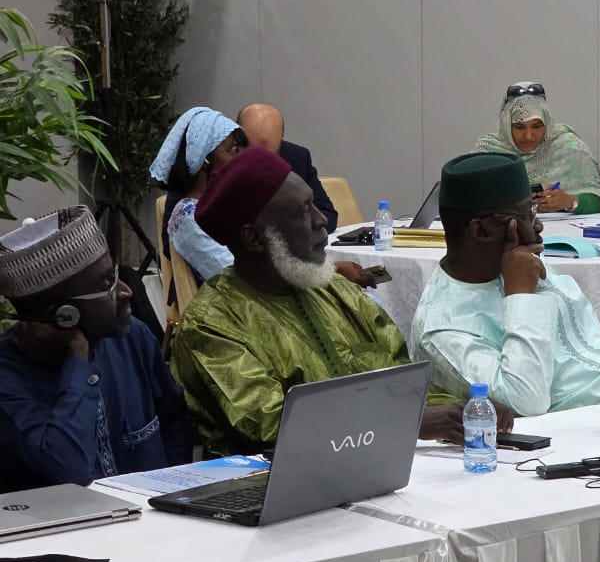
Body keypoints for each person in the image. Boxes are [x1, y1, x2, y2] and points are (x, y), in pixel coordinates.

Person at [169, 148, 509, 457]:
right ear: (254, 238)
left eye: (314, 204)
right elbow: (272, 426)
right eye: (302, 212)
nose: (321, 220)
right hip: (272, 489)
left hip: (381, 465)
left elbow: (403, 381)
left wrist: (469, 407)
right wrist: (410, 421)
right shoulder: (211, 325)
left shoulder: (335, 290)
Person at [410, 152, 600, 416]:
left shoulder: (513, 259)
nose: (538, 225)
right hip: (578, 427)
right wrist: (520, 295)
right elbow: (525, 402)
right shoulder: (442, 329)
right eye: (526, 214)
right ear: (481, 230)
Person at [0, 206, 190, 492]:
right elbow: (70, 468)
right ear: (65, 315)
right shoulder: (6, 379)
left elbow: (175, 425)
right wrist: (79, 362)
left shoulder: (134, 338)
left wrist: (175, 497)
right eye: (107, 284)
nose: (125, 291)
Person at [471, 82, 600, 214]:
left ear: (546, 123)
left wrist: (568, 201)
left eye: (537, 126)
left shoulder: (568, 146)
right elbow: (466, 199)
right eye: (519, 127)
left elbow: (598, 201)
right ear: (506, 125)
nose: (528, 136)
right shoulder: (487, 153)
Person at [150, 106, 245, 282]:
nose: (241, 158)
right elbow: (236, 279)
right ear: (204, 159)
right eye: (233, 150)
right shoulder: (188, 217)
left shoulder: (220, 205)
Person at [237, 103, 339, 233]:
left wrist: (288, 230)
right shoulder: (224, 163)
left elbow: (328, 216)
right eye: (254, 153)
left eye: (269, 154)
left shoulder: (297, 158)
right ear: (238, 141)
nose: (262, 162)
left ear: (281, 137)